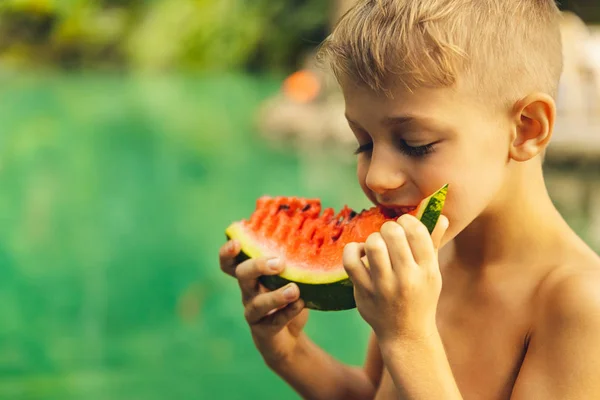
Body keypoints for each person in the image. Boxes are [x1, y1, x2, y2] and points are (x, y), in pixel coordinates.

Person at [219, 0, 600, 398]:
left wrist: (407, 339)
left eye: (415, 144)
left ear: (526, 129)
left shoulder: (580, 306)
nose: (377, 176)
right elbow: (376, 392)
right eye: (362, 143)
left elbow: (409, 359)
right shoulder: (425, 257)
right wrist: (289, 352)